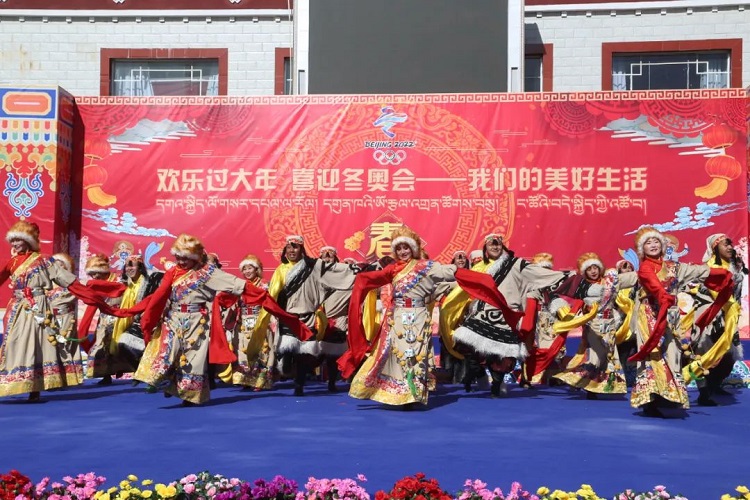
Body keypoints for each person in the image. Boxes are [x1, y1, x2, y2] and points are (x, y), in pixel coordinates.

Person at [340, 226, 522, 408]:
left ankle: (411, 394)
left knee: (413, 356)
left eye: (406, 247)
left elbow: (450, 272)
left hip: (417, 318)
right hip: (396, 318)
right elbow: (369, 278)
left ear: (413, 249)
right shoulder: (393, 269)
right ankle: (396, 391)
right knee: (395, 356)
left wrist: (479, 278)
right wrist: (357, 278)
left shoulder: (426, 267)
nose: (403, 252)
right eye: (399, 248)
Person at [122, 234, 311, 406]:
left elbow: (235, 284)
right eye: (178, 256)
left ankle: (188, 395)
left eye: (184, 257)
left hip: (196, 322)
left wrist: (260, 295)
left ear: (195, 257)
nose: (180, 261)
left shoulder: (208, 273)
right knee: (168, 351)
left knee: (192, 359)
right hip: (173, 319)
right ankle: (164, 380)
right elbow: (158, 297)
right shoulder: (172, 273)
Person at [440, 233, 569, 397]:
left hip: (506, 314)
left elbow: (529, 282)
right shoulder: (479, 267)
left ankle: (496, 385)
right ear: (485, 248)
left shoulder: (514, 265)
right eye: (491, 244)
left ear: (503, 246)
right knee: (467, 347)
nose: (495, 247)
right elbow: (464, 287)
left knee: (501, 355)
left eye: (498, 244)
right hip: (482, 313)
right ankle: (479, 373)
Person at [0, 221, 117, 401]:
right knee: (14, 343)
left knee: (36, 344)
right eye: (13, 240)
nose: (14, 244)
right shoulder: (13, 262)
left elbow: (67, 280)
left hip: (37, 307)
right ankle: (15, 380)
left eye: (18, 240)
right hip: (17, 307)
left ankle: (35, 388)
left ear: (29, 240)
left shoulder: (44, 260)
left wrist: (90, 294)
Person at [628, 226, 733, 417]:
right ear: (642, 249)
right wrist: (663, 296)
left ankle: (668, 395)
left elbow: (696, 271)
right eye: (648, 243)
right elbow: (653, 284)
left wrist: (720, 273)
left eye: (656, 241)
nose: (653, 245)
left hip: (671, 316)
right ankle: (650, 400)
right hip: (650, 315)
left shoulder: (674, 267)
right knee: (653, 355)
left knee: (673, 354)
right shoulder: (645, 267)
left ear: (662, 245)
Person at [256, 235, 357, 396]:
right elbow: (274, 293)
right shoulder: (281, 269)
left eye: (295, 247)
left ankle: (301, 384)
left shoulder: (314, 268)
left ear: (301, 250)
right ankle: (290, 367)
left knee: (307, 354)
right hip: (289, 315)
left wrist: (360, 270)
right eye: (289, 247)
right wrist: (274, 312)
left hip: (313, 316)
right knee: (288, 351)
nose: (292, 250)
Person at [551, 254, 633, 399]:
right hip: (594, 325)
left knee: (610, 355)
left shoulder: (609, 282)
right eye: (589, 269)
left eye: (595, 267)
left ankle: (604, 386)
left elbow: (630, 280)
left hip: (610, 324)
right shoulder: (584, 287)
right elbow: (579, 307)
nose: (593, 271)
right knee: (597, 356)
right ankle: (589, 386)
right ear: (584, 272)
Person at [685, 233, 745, 406]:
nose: (730, 247)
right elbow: (712, 293)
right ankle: (704, 393)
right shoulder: (709, 268)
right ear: (715, 248)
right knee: (702, 353)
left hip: (728, 315)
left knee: (729, 355)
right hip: (709, 315)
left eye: (730, 244)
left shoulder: (735, 268)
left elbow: (736, 297)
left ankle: (714, 385)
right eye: (725, 244)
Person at [215, 254, 276, 390]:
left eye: (250, 268)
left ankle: (261, 381)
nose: (247, 271)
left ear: (256, 269)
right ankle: (246, 380)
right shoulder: (240, 286)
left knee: (262, 351)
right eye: (244, 269)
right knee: (243, 350)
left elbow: (270, 303)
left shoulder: (265, 285)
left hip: (259, 321)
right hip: (243, 322)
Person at [81, 253, 132, 385]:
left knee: (122, 345)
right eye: (92, 274)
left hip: (120, 317)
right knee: (102, 345)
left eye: (96, 273)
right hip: (104, 319)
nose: (94, 277)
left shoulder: (120, 281)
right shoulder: (95, 285)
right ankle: (106, 375)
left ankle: (130, 371)